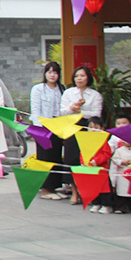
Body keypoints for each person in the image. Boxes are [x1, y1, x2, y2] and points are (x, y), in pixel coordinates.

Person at [60, 66, 103, 206]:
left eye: (82, 76)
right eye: (77, 76)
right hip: (71, 128)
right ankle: (74, 191)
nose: (79, 78)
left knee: (86, 160)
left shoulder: (95, 95)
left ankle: (87, 192)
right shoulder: (68, 93)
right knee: (72, 159)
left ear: (88, 78)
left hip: (88, 128)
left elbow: (97, 114)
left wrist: (81, 112)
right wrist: (72, 108)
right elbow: (62, 112)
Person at [31, 62, 66, 200]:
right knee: (44, 157)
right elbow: (35, 110)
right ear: (45, 73)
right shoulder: (39, 89)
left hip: (58, 126)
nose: (52, 75)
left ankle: (54, 187)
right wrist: (38, 129)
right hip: (43, 127)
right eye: (50, 72)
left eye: (55, 72)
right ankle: (45, 189)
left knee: (56, 156)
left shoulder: (62, 89)